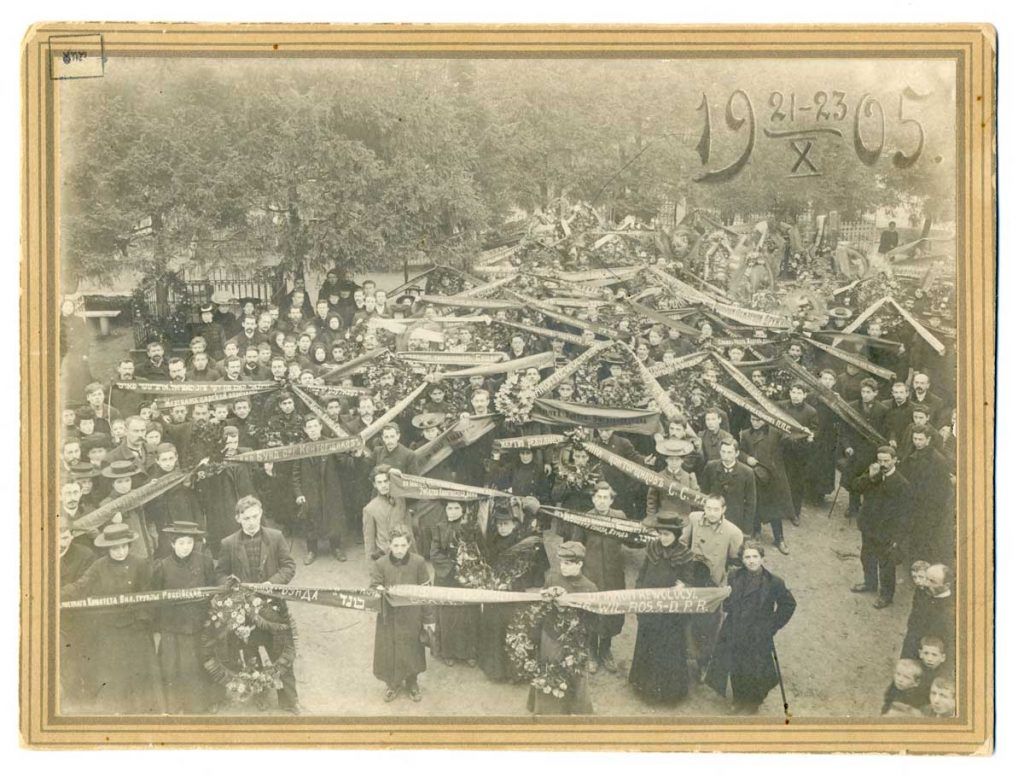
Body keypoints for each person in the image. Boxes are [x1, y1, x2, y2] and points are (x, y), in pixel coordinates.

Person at [60, 523, 165, 714]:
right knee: (115, 675)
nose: (120, 551)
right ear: (108, 548)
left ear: (129, 546)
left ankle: (145, 712)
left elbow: (149, 596)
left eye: (124, 546)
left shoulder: (140, 564)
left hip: (136, 629)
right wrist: (55, 594)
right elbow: (80, 586)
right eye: (115, 548)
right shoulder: (99, 566)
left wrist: (141, 621)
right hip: (110, 632)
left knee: (141, 674)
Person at [215, 495, 299, 713]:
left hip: (274, 607)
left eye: (255, 516)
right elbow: (220, 573)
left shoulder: (276, 537)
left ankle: (289, 701)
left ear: (261, 514)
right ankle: (260, 693)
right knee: (251, 652)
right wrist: (230, 585)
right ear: (238, 518)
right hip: (244, 610)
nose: (251, 521)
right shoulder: (228, 543)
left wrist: (273, 583)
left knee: (282, 652)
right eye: (246, 518)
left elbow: (289, 566)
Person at [704, 539, 797, 715]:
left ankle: (753, 701)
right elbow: (730, 602)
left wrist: (772, 626)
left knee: (756, 669)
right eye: (747, 557)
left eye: (755, 556)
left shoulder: (774, 582)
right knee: (736, 666)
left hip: (758, 634)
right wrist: (726, 598)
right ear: (742, 560)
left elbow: (788, 605)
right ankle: (739, 699)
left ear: (762, 558)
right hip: (735, 629)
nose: (751, 561)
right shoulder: (734, 576)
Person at [628, 511, 705, 704]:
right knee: (648, 645)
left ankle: (669, 693)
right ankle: (644, 688)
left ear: (676, 535)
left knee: (668, 649)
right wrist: (639, 595)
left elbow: (690, 581)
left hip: (671, 615)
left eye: (667, 535)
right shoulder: (652, 547)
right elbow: (642, 573)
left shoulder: (685, 556)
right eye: (660, 534)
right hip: (649, 609)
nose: (663, 538)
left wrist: (684, 586)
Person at [151, 521, 219, 713]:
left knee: (198, 665)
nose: (185, 548)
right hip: (172, 625)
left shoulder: (204, 561)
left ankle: (201, 704)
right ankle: (175, 705)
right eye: (181, 543)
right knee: (172, 666)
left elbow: (212, 589)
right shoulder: (162, 566)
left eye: (189, 543)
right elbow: (156, 598)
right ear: (172, 544)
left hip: (198, 623)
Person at [527, 541, 598, 715]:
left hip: (574, 642)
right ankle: (546, 711)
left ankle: (576, 710)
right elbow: (541, 608)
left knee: (574, 675)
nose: (563, 567)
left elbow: (592, 622)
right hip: (550, 635)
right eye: (561, 563)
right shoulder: (552, 578)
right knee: (548, 670)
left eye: (568, 563)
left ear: (579, 564)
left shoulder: (589, 588)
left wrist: (570, 605)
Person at [369, 525, 435, 702]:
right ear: (389, 545)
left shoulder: (419, 563)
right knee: (389, 650)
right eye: (395, 545)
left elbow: (427, 593)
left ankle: (412, 683)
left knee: (412, 649)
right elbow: (373, 587)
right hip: (388, 617)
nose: (399, 550)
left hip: (412, 616)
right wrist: (379, 590)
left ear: (409, 545)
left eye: (403, 545)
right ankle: (392, 684)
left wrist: (428, 619)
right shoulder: (380, 564)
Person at [570, 481, 626, 672]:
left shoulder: (620, 517)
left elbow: (631, 539)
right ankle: (592, 652)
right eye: (598, 497)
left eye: (605, 498)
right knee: (592, 613)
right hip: (591, 575)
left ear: (611, 500)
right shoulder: (585, 518)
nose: (602, 501)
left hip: (613, 574)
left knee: (611, 612)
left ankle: (606, 650)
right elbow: (576, 546)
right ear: (593, 499)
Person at [850, 446, 910, 609]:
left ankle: (886, 595)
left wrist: (898, 537)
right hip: (868, 524)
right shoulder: (873, 474)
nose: (883, 464)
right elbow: (855, 487)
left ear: (895, 460)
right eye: (880, 460)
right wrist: (869, 477)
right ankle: (869, 583)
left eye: (886, 461)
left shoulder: (901, 483)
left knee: (886, 564)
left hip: (886, 530)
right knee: (867, 556)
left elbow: (904, 513)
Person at [292, 414, 350, 565]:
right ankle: (312, 550)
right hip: (310, 490)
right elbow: (296, 474)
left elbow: (344, 465)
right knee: (311, 519)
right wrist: (299, 494)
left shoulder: (331, 444)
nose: (312, 430)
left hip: (330, 488)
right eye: (309, 427)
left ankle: (336, 547)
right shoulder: (300, 448)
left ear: (320, 427)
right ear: (305, 430)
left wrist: (341, 453)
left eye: (315, 426)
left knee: (333, 518)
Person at [428, 501, 479, 667]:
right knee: (447, 614)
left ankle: (469, 652)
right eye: (449, 508)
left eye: (457, 508)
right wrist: (454, 568)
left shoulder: (471, 527)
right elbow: (434, 553)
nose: (453, 511)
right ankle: (448, 651)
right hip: (447, 577)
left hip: (467, 577)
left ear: (463, 510)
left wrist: (468, 569)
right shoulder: (439, 527)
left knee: (468, 613)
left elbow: (478, 551)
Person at [739, 415, 794, 553]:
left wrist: (802, 433)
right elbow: (739, 451)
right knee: (755, 504)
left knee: (775, 509)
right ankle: (756, 532)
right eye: (752, 419)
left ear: (765, 419)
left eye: (758, 420)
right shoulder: (745, 434)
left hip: (772, 477)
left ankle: (779, 538)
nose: (755, 423)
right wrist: (747, 458)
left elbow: (790, 441)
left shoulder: (775, 432)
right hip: (755, 475)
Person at [699, 438, 757, 537]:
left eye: (730, 452)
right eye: (723, 452)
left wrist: (747, 530)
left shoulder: (747, 472)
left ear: (737, 453)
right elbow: (703, 493)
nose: (726, 455)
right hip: (712, 517)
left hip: (735, 520)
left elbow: (750, 502)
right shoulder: (711, 467)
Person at [779, 383, 818, 525]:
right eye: (793, 392)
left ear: (805, 395)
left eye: (799, 393)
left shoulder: (811, 411)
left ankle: (795, 513)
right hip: (781, 449)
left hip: (799, 453)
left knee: (796, 482)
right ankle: (782, 509)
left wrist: (810, 436)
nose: (795, 395)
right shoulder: (781, 406)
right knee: (781, 479)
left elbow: (815, 431)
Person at [900, 563, 955, 661]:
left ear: (946, 585)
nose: (925, 583)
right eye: (926, 578)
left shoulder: (950, 610)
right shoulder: (923, 590)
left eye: (932, 581)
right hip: (911, 641)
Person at [363, 464, 414, 564]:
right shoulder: (370, 509)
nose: (383, 485)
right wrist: (372, 567)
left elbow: (408, 529)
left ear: (390, 481)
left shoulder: (400, 500)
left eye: (386, 481)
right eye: (379, 482)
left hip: (405, 553)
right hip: (386, 557)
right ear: (374, 485)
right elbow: (369, 542)